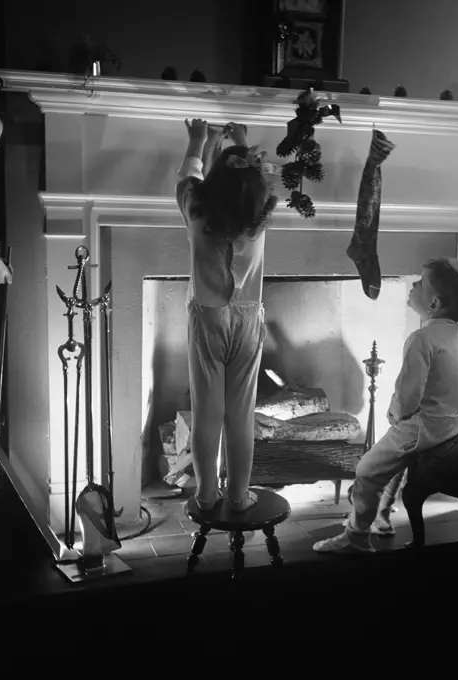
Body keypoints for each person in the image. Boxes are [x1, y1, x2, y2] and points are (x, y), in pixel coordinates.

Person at [314, 257, 458, 553]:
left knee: (367, 469)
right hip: (456, 420)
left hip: (426, 426)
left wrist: (395, 415)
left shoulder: (422, 338)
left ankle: (355, 537)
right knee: (392, 461)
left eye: (420, 282)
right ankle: (381, 514)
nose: (413, 285)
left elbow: (407, 396)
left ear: (433, 303)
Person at [176, 118, 278, 514]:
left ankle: (205, 494)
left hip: (209, 316)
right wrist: (241, 141)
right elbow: (247, 183)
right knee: (241, 414)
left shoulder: (196, 207)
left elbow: (190, 174)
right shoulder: (261, 213)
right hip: (249, 319)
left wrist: (200, 140)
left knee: (208, 413)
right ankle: (238, 495)